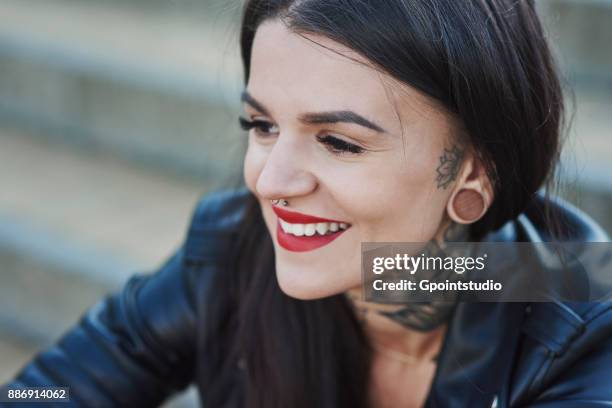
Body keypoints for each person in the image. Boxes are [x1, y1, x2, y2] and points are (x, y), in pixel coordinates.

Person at [3, 0, 611, 407]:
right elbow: (49, 393)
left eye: (338, 142)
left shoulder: (579, 327)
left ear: (476, 173)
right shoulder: (231, 246)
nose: (270, 183)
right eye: (261, 126)